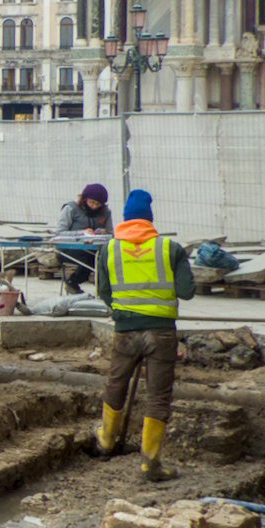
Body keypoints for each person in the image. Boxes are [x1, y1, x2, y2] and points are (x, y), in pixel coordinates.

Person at [92, 188, 196, 481]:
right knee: (158, 394)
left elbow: (103, 291)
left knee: (116, 382)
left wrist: (124, 309)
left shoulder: (108, 249)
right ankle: (151, 462)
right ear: (150, 218)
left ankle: (106, 440)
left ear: (124, 218)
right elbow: (187, 292)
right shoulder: (169, 249)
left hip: (125, 330)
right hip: (161, 331)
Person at [55, 183, 114, 289]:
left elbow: (111, 233)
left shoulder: (106, 212)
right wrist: (82, 233)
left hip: (95, 248)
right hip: (71, 249)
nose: (94, 206)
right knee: (92, 259)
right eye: (91, 202)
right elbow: (59, 232)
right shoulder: (70, 208)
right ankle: (73, 283)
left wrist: (102, 232)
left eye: (98, 204)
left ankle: (106, 289)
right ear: (84, 199)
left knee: (107, 258)